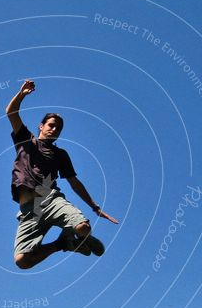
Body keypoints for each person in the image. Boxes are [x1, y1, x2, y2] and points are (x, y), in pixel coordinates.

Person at [6, 79, 119, 270]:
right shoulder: (26, 140)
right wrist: (22, 94)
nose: (54, 129)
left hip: (50, 198)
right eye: (51, 125)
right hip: (29, 209)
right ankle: (62, 244)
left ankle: (76, 236)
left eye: (58, 128)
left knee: (83, 227)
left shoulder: (60, 154)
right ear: (41, 126)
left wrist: (94, 206)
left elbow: (74, 182)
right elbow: (11, 112)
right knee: (22, 261)